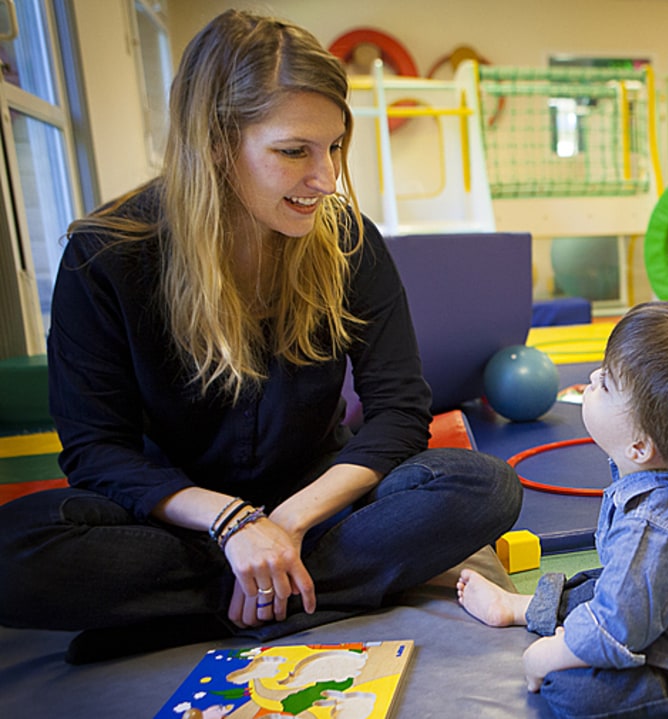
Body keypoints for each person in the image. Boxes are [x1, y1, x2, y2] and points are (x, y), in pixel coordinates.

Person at [0, 9, 521, 664]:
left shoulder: (349, 242)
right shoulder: (103, 256)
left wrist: (285, 524)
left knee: (483, 485)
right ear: (217, 143)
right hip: (178, 520)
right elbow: (96, 450)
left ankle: (209, 604)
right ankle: (297, 590)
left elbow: (399, 413)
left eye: (334, 146)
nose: (326, 177)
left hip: (315, 505)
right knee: (11, 551)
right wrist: (232, 524)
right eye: (293, 151)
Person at [457, 301, 668, 718]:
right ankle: (516, 607)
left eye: (607, 383)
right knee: (602, 585)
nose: (593, 377)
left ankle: (556, 634)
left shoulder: (658, 525)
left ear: (641, 447)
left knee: (572, 690)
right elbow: (626, 591)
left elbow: (618, 624)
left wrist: (546, 656)